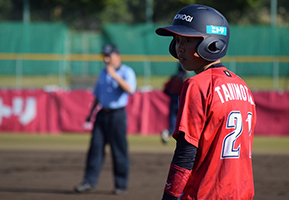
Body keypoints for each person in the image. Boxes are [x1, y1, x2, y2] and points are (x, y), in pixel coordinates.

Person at [155, 4, 257, 200]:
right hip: (242, 192)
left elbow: (186, 151)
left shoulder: (196, 85)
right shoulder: (242, 86)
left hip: (206, 193)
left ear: (212, 44)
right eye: (177, 40)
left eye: (187, 40)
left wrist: (170, 195)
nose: (180, 48)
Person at [74, 44, 136, 195]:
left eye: (109, 56)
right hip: (102, 114)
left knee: (119, 151)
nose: (106, 59)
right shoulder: (103, 72)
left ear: (117, 56)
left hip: (117, 115)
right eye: (104, 56)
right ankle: (89, 182)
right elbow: (97, 95)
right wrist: (91, 113)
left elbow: (130, 89)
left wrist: (114, 75)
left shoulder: (126, 71)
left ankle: (121, 185)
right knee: (95, 149)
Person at [161, 63, 188, 143]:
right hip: (182, 102)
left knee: (174, 125)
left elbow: (166, 89)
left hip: (173, 101)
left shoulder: (174, 77)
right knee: (184, 125)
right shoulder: (185, 78)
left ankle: (167, 133)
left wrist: (172, 95)